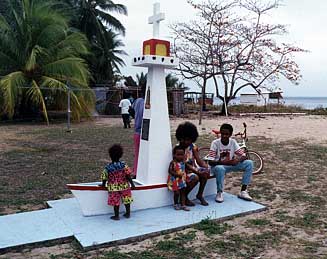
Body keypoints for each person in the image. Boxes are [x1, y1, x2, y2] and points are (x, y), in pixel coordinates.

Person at [207, 123, 253, 203]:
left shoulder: (233, 142)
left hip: (230, 165)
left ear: (230, 134)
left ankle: (243, 191)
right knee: (220, 168)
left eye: (227, 134)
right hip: (218, 166)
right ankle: (219, 192)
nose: (224, 136)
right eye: (223, 134)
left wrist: (237, 160)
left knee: (249, 163)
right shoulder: (215, 143)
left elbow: (244, 156)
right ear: (220, 133)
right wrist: (222, 162)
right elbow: (210, 161)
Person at [175, 122, 209, 206]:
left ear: (192, 139)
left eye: (188, 139)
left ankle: (200, 195)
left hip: (192, 169)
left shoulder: (193, 147)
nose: (185, 141)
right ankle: (184, 197)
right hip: (182, 171)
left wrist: (205, 166)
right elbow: (184, 164)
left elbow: (198, 160)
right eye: (183, 139)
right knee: (195, 177)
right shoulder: (178, 149)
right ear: (179, 137)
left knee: (205, 173)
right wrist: (197, 171)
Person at [101, 144, 135, 220]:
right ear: (121, 155)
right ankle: (128, 213)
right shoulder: (123, 165)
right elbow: (128, 175)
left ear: (110, 155)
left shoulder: (108, 167)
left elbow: (104, 177)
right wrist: (132, 184)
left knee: (115, 201)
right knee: (127, 199)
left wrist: (103, 185)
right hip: (125, 186)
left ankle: (116, 216)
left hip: (113, 188)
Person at [167, 146, 190, 211]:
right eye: (178, 155)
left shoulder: (183, 162)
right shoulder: (173, 162)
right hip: (174, 180)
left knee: (183, 192)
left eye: (182, 155)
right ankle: (176, 204)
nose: (180, 156)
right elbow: (170, 171)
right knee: (176, 193)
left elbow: (185, 169)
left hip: (182, 179)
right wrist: (176, 174)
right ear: (174, 155)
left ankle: (183, 205)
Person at [132, 88, 145, 176]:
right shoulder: (147, 103)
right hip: (143, 132)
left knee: (137, 155)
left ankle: (136, 172)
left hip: (136, 131)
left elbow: (132, 110)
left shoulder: (137, 101)